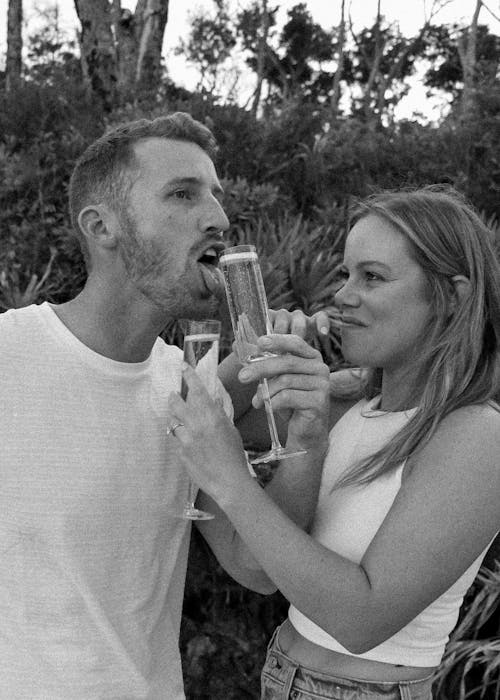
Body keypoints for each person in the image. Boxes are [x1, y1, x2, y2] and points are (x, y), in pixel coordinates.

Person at [0, 112, 331, 699]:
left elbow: (253, 569)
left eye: (216, 197)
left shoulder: (189, 390)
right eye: (183, 194)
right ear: (103, 227)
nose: (220, 219)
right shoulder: (9, 357)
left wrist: (306, 441)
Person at [167, 186, 500, 700]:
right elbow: (205, 414)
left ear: (450, 297)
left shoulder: (475, 435)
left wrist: (231, 480)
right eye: (345, 274)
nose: (343, 295)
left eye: (373, 277)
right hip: (282, 672)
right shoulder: (350, 404)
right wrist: (258, 352)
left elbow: (361, 619)